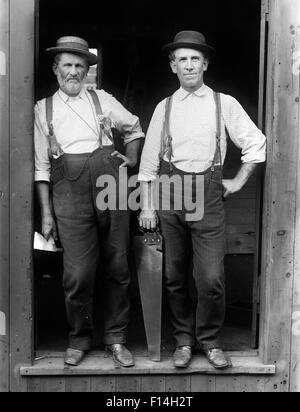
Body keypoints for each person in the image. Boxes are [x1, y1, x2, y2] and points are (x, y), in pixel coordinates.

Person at [138, 31, 266, 369]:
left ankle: (208, 340)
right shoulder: (163, 107)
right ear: (173, 66)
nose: (189, 65)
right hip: (169, 196)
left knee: (210, 278)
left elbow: (256, 143)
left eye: (195, 59)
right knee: (174, 276)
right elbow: (149, 166)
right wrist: (148, 206)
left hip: (208, 198)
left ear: (205, 63)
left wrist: (239, 180)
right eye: (182, 59)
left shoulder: (224, 104)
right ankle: (183, 340)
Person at [34, 36, 144, 367]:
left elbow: (136, 129)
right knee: (78, 273)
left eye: (80, 65)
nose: (73, 71)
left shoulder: (103, 100)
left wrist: (130, 160)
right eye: (67, 65)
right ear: (55, 69)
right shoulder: (43, 109)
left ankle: (116, 338)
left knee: (117, 266)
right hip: (67, 193)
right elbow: (40, 167)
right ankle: (79, 337)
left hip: (110, 186)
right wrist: (46, 214)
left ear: (87, 70)